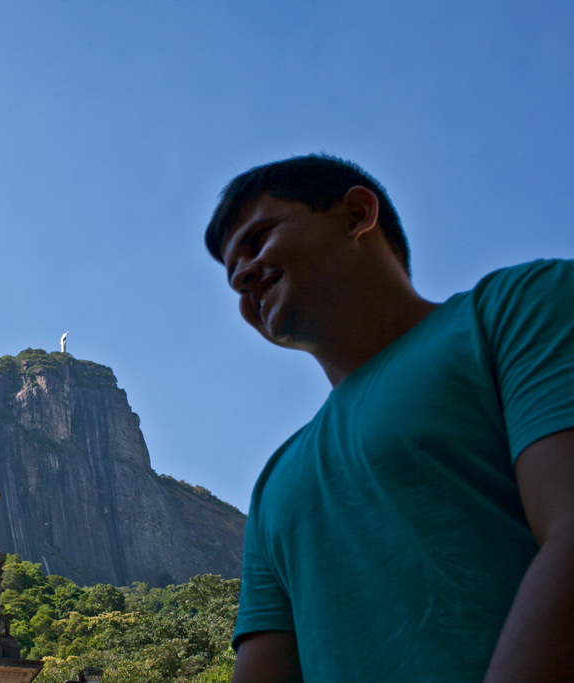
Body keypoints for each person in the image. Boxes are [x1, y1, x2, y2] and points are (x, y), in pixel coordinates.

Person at [204, 155, 574, 682]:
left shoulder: (517, 308)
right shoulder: (275, 482)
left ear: (357, 214)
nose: (243, 275)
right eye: (231, 274)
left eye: (258, 238)